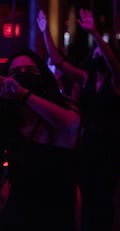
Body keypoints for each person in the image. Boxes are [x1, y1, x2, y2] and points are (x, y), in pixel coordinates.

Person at [37, 9, 120, 231]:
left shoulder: (118, 81)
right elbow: (58, 61)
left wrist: (95, 34)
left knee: (104, 195)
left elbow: (110, 59)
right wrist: (44, 32)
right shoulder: (86, 78)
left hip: (110, 143)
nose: (99, 55)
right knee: (87, 193)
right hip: (87, 142)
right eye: (96, 52)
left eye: (102, 53)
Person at [0, 48, 81, 231]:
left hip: (54, 216)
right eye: (14, 73)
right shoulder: (10, 117)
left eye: (30, 71)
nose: (21, 77)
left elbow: (70, 125)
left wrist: (24, 94)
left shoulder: (63, 107)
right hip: (16, 216)